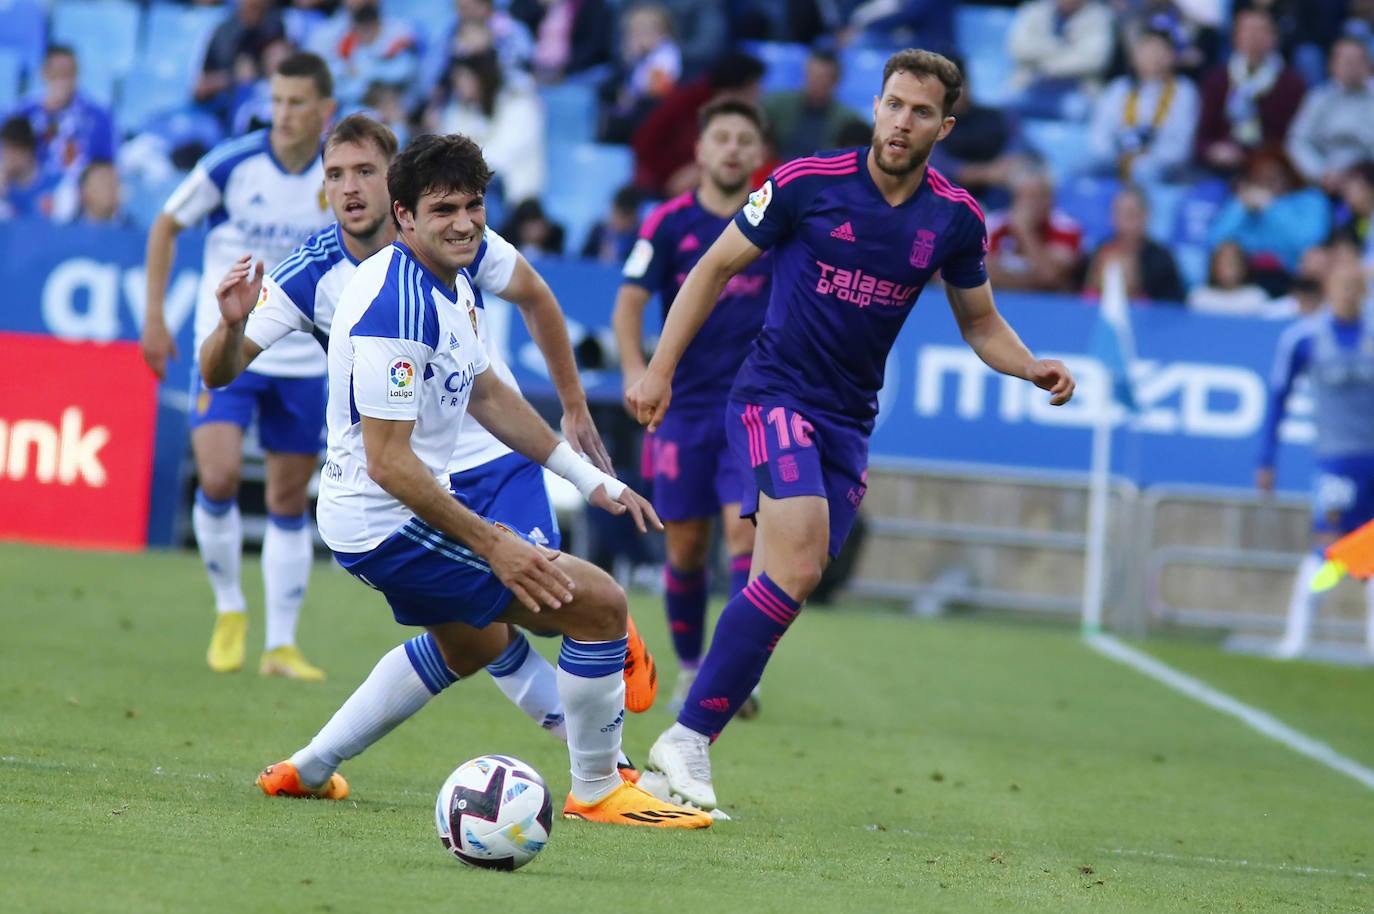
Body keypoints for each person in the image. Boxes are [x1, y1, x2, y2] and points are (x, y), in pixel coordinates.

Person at [626, 49, 1075, 811]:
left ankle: (689, 733)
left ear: (945, 125)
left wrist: (1028, 366)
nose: (903, 122)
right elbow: (711, 268)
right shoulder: (805, 183)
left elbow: (980, 321)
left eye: (921, 111)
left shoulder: (955, 220)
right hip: (772, 395)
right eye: (894, 104)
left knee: (789, 581)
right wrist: (659, 369)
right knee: (786, 559)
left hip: (847, 419)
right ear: (875, 107)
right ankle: (689, 732)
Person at [246, 132, 710, 827]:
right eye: (443, 210)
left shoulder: (452, 279)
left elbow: (488, 394)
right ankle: (599, 788)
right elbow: (389, 461)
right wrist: (495, 543)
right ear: (403, 216)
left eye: (473, 206)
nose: (463, 222)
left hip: (392, 514)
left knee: (468, 645)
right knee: (601, 607)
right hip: (387, 522)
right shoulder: (394, 307)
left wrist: (590, 481)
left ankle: (308, 770)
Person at [140, 52, 338, 682]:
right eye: (277, 101)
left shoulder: (342, 174)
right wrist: (153, 317)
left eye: (297, 102)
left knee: (287, 497)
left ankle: (280, 646)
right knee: (220, 477)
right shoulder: (232, 164)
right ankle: (230, 609)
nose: (283, 114)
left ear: (324, 110)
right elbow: (165, 226)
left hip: (305, 356)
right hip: (228, 346)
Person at [612, 98, 772, 716]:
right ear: (701, 151)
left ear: (759, 156)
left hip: (754, 407)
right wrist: (636, 370)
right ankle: (690, 667)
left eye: (744, 139)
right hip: (682, 408)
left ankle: (738, 673)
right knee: (683, 549)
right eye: (721, 138)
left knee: (742, 531)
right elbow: (630, 300)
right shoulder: (667, 223)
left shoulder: (775, 219)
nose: (732, 148)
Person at [1256, 247, 1374, 659]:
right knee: (1330, 552)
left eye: (1355, 285)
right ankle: (1298, 636)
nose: (1349, 292)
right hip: (1336, 464)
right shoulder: (1304, 338)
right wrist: (1265, 458)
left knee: (1373, 554)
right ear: (1327, 286)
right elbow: (1277, 400)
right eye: (1342, 284)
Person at [1195, 7, 1306, 178]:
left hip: (1273, 170)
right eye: (1246, 30)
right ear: (1235, 37)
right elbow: (1202, 139)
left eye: (1260, 31)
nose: (1253, 37)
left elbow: (1296, 140)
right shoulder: (1217, 81)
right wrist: (1214, 150)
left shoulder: (1292, 84)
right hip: (1223, 168)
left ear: (1274, 37)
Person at [1087, 27, 1200, 185]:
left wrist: (1143, 160)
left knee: (1144, 171)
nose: (1154, 57)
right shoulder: (1118, 88)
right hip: (1117, 160)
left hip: (1162, 168)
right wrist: (1117, 158)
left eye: (1160, 51)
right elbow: (1100, 135)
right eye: (1147, 50)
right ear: (1134, 56)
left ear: (1172, 57)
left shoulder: (1184, 91)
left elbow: (1179, 147)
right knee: (1085, 166)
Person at [17, 45, 118, 189]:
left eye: (69, 73)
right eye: (57, 73)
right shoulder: (22, 114)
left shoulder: (99, 118)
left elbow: (106, 167)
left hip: (80, 195)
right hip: (29, 193)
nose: (63, 80)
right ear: (43, 73)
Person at [1285, 36, 1374, 195]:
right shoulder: (1318, 99)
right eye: (1346, 62)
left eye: (1357, 61)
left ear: (1369, 65)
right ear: (1333, 66)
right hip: (1328, 178)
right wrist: (1320, 172)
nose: (1352, 67)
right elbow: (1297, 141)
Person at [984, 165, 1085, 294]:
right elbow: (980, 275)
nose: (1031, 204)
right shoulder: (993, 225)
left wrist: (1024, 231)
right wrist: (1031, 281)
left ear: (1050, 200)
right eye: (1026, 197)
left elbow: (1050, 277)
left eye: (1038, 196)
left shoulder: (1067, 229)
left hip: (1049, 306)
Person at [761, 47, 869, 163]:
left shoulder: (848, 120)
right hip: (777, 169)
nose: (816, 82)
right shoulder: (777, 105)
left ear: (836, 81)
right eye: (812, 75)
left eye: (823, 77)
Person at [1082, 185, 1186, 304]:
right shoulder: (1100, 251)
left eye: (1130, 215)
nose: (1123, 222)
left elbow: (1172, 309)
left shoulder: (1162, 260)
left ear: (1145, 217)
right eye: (1117, 213)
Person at [1186, 239, 1273, 316]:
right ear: (1213, 266)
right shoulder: (1199, 298)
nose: (1228, 269)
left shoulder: (1256, 297)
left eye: (1233, 263)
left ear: (1243, 266)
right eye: (1222, 263)